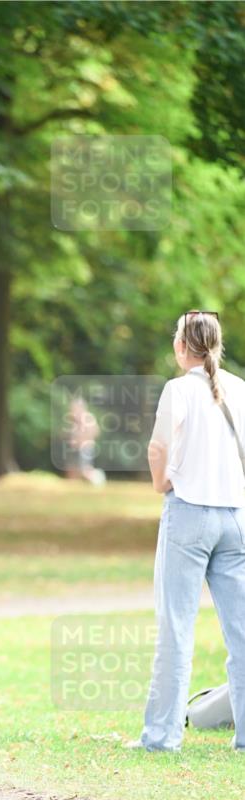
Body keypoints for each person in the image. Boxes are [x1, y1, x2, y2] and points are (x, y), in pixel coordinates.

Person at [132, 311, 245, 751]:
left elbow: (159, 446)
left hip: (190, 513)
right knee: (241, 631)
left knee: (177, 628)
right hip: (236, 518)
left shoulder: (177, 389)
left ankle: (161, 738)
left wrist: (161, 483)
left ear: (183, 347)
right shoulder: (239, 388)